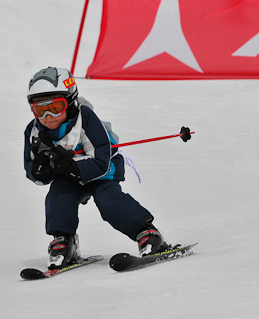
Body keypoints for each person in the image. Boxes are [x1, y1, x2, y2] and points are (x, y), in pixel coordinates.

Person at [23, 66, 177, 270]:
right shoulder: (34, 132)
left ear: (70, 102)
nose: (48, 116)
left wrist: (71, 166)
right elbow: (32, 169)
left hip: (103, 174)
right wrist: (43, 169)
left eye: (55, 107)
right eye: (40, 110)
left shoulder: (85, 118)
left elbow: (101, 159)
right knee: (58, 197)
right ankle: (64, 241)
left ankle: (148, 234)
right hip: (69, 178)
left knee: (108, 200)